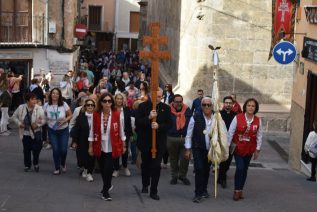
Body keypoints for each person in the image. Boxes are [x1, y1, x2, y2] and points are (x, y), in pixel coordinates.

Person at [88, 93, 126, 201]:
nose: (107, 103)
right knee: (103, 169)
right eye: (105, 101)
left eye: (109, 101)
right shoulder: (95, 114)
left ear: (112, 103)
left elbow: (121, 131)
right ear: (101, 102)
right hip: (99, 145)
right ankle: (107, 185)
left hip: (112, 145)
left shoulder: (117, 114)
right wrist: (90, 146)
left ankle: (105, 192)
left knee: (108, 168)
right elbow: (91, 131)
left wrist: (124, 145)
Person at [135, 88, 171, 200]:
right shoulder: (142, 106)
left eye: (160, 97)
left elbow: (169, 125)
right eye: (156, 97)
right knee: (145, 165)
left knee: (156, 166)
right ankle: (145, 184)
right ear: (150, 95)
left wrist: (159, 126)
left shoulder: (166, 108)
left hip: (159, 143)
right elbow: (138, 123)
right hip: (146, 141)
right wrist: (148, 118)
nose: (158, 99)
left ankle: (154, 191)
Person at [228, 98, 262, 201]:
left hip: (249, 148)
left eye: (253, 106)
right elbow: (230, 132)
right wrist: (227, 146)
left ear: (255, 108)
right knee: (240, 168)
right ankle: (236, 191)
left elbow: (259, 135)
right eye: (249, 105)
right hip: (238, 147)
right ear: (245, 107)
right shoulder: (237, 117)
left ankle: (240, 189)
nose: (251, 107)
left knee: (245, 170)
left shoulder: (258, 120)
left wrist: (257, 149)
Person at [185, 97, 215, 203]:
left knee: (206, 170)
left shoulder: (217, 118)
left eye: (209, 105)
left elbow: (223, 133)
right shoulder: (195, 117)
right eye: (204, 105)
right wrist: (188, 149)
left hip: (211, 149)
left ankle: (204, 190)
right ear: (201, 106)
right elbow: (189, 134)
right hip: (198, 147)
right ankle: (197, 193)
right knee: (199, 169)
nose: (206, 107)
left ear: (212, 106)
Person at [12, 93, 46, 172]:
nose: (35, 101)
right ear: (27, 101)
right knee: (26, 150)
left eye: (35, 99)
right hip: (25, 133)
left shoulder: (39, 108)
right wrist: (19, 124)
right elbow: (14, 116)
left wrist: (37, 124)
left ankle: (35, 163)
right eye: (32, 99)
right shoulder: (21, 108)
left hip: (36, 133)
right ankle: (27, 165)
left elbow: (44, 119)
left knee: (36, 150)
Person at [44, 88, 73, 175]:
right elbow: (44, 116)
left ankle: (63, 163)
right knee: (56, 149)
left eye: (57, 93)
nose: (55, 95)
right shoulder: (46, 105)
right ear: (50, 95)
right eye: (53, 93)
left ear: (59, 95)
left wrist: (64, 120)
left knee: (63, 150)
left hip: (63, 130)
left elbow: (70, 115)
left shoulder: (63, 104)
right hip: (52, 130)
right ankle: (57, 168)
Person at [167, 94, 192, 185]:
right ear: (173, 102)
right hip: (171, 138)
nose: (178, 103)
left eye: (180, 101)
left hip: (184, 138)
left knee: (185, 158)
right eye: (176, 102)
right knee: (173, 159)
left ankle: (182, 176)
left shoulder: (187, 110)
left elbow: (191, 123)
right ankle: (174, 176)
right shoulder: (168, 110)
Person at [71, 99, 96, 182]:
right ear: (85, 107)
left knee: (92, 158)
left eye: (92, 105)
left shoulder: (97, 117)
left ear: (94, 107)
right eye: (88, 105)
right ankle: (85, 169)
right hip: (82, 141)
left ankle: (89, 173)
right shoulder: (81, 117)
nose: (90, 106)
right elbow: (76, 130)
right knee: (84, 158)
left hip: (94, 141)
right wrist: (74, 141)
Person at [218, 96, 237, 188]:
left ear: (232, 104)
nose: (228, 104)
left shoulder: (235, 115)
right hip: (221, 140)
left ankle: (222, 175)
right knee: (222, 160)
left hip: (231, 142)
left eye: (230, 103)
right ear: (223, 103)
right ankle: (222, 178)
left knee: (228, 161)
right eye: (226, 103)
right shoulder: (219, 114)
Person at [112, 93, 133, 177]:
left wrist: (130, 134)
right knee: (116, 151)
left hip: (125, 133)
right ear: (115, 100)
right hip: (114, 133)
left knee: (125, 151)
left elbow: (129, 123)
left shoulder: (127, 109)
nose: (119, 100)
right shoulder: (112, 109)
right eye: (118, 99)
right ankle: (116, 169)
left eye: (121, 99)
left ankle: (125, 167)